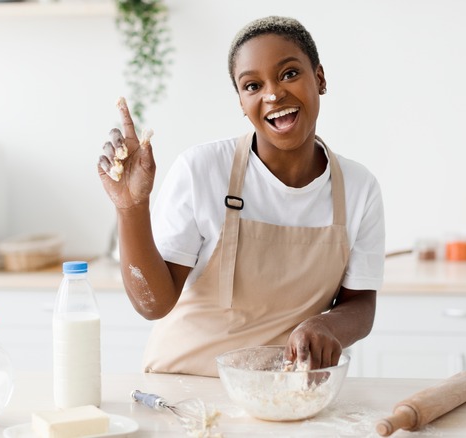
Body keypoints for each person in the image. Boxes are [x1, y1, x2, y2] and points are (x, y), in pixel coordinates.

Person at [97, 16, 385, 377]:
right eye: (252, 85)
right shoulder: (202, 170)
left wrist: (328, 326)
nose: (273, 94)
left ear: (320, 78)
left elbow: (360, 303)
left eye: (289, 74)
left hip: (281, 389)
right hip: (184, 386)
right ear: (241, 101)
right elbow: (153, 304)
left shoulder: (359, 189)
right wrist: (131, 207)